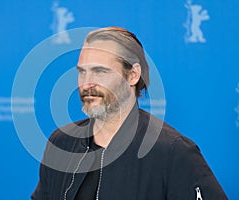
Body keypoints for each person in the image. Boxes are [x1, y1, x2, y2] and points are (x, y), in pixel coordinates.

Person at [31, 26, 227, 200]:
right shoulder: (62, 142)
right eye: (82, 72)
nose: (86, 83)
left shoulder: (173, 151)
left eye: (100, 71)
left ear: (133, 75)